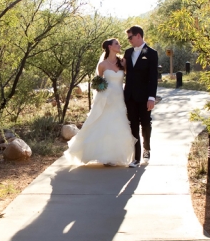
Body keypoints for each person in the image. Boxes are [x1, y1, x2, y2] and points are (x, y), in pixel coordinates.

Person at [64, 38, 137, 166]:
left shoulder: (123, 62)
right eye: (116, 44)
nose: (119, 45)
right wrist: (102, 91)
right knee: (104, 124)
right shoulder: (102, 65)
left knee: (118, 125)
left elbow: (130, 78)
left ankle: (115, 155)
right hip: (106, 99)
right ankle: (106, 157)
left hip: (119, 98)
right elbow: (97, 83)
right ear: (109, 47)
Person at [123, 25, 159, 168]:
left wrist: (152, 97)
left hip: (145, 97)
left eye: (130, 37)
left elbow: (153, 77)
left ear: (138, 36)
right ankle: (136, 157)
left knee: (145, 123)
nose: (129, 40)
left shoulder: (151, 53)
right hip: (130, 96)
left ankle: (147, 148)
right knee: (133, 125)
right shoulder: (127, 52)